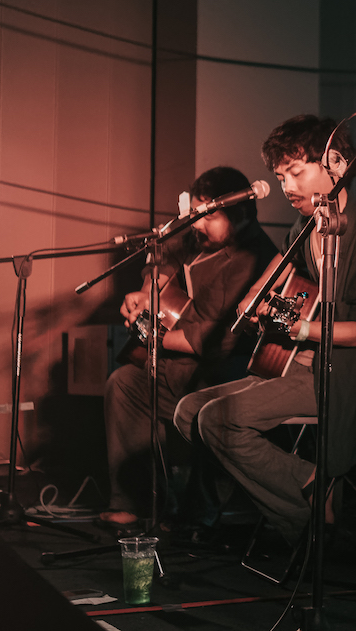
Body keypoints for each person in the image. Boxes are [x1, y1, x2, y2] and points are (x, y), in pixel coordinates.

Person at [173, 115, 356, 545]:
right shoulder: (305, 227)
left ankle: (310, 506)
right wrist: (255, 298)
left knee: (218, 419)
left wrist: (301, 329)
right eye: (281, 177)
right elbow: (282, 266)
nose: (287, 187)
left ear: (336, 164)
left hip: (342, 375)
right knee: (188, 412)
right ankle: (307, 501)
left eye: (296, 172)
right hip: (290, 365)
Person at [101, 166, 278, 529]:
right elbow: (165, 257)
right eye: (197, 213)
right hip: (172, 365)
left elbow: (209, 338)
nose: (199, 224)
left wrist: (152, 336)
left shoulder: (253, 258)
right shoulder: (199, 235)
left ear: (241, 213)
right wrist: (147, 294)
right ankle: (134, 502)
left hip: (216, 372)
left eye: (210, 216)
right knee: (123, 384)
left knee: (204, 401)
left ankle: (197, 514)